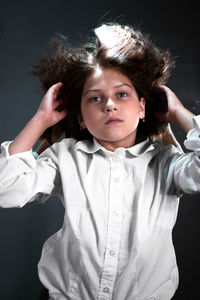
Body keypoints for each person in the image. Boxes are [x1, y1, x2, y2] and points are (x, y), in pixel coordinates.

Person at [0, 22, 199, 300]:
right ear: (80, 117)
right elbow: (6, 189)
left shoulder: (167, 163)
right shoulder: (65, 156)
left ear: (142, 107)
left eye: (122, 94)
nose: (109, 104)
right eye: (95, 99)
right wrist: (40, 120)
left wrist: (178, 114)